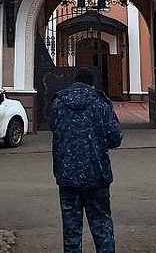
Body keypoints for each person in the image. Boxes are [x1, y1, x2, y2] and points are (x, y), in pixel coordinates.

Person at [50, 68, 123, 253]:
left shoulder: (58, 102)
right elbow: (115, 138)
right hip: (97, 175)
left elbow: (54, 128)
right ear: (92, 84)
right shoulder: (101, 103)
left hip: (67, 176)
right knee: (102, 225)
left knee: (71, 230)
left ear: (74, 82)